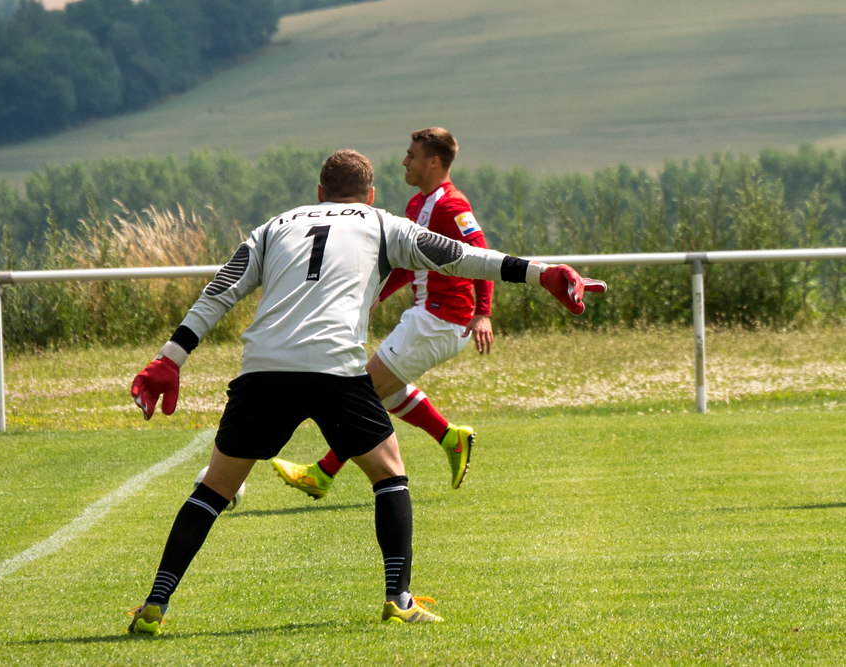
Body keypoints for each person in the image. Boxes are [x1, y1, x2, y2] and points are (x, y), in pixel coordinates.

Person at [126, 149, 605, 634]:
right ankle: (398, 598)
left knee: (214, 489)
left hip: (263, 370)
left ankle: (154, 604)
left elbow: (221, 289)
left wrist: (171, 357)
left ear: (319, 193)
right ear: (370, 193)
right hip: (335, 369)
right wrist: (540, 271)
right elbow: (460, 256)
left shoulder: (276, 226)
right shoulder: (381, 222)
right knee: (389, 472)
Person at [271, 127, 494, 498]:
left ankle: (322, 473)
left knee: (363, 392)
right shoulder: (415, 205)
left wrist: (483, 312)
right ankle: (449, 437)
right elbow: (407, 265)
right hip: (426, 317)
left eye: (412, 155)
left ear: (434, 161)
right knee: (386, 394)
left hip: (442, 321)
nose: (404, 161)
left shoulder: (452, 205)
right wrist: (377, 296)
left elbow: (482, 254)